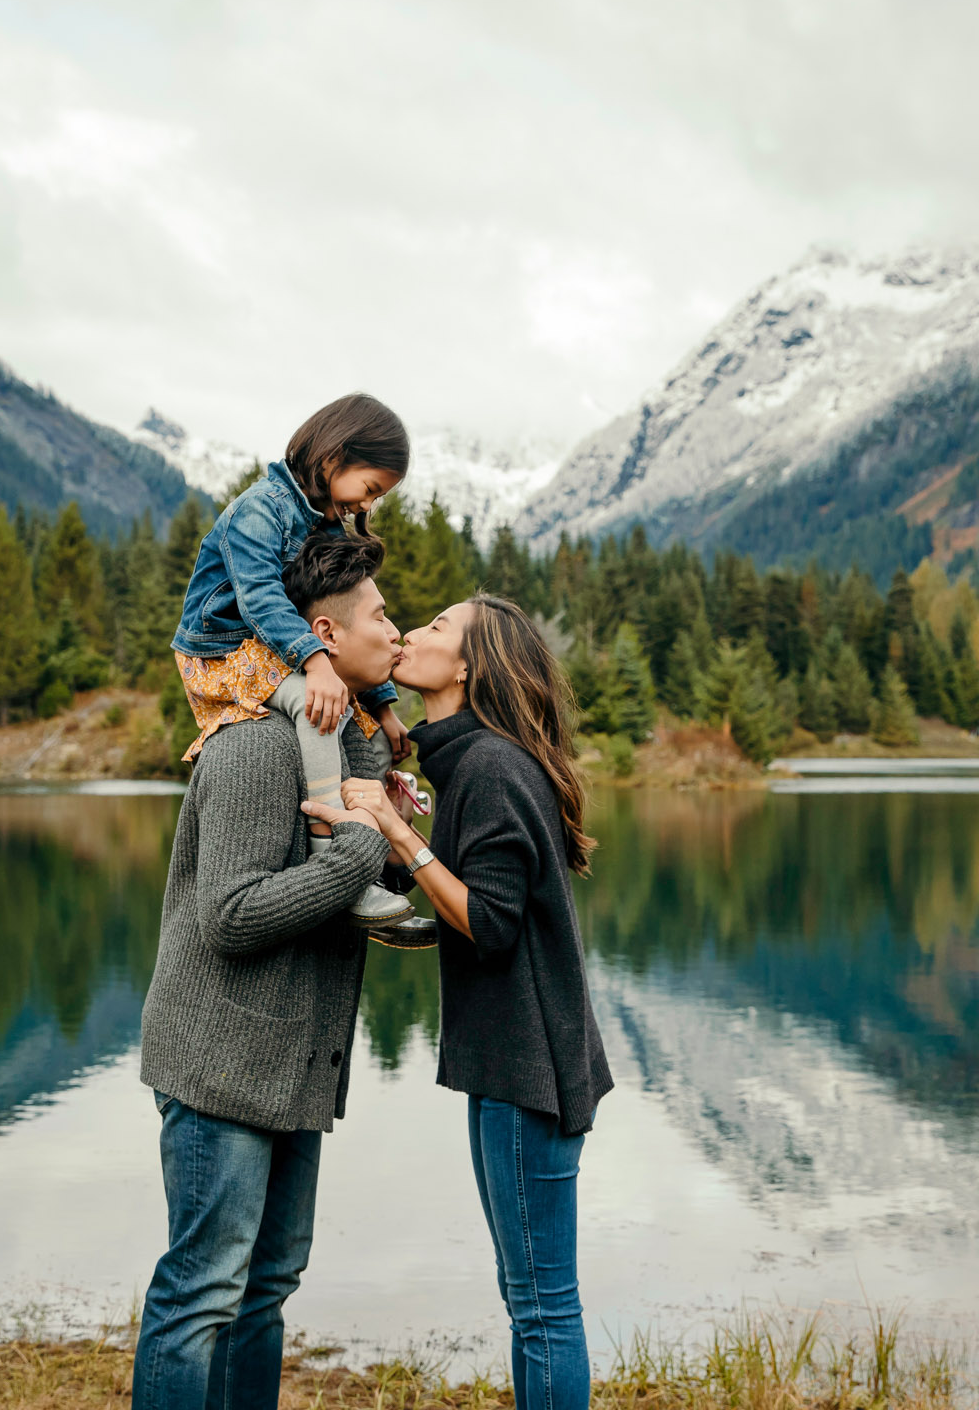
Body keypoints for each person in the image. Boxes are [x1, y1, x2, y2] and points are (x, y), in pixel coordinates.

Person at [309, 595, 614, 1410]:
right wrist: (414, 835)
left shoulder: (491, 767)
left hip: (530, 1071)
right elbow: (471, 905)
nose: (413, 633)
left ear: (471, 668)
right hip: (518, 1066)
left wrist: (401, 838)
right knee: (531, 1305)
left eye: (439, 629)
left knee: (544, 1308)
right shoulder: (474, 763)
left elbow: (493, 925)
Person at [134, 533, 415, 1410]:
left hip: (292, 1062)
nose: (397, 631)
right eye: (381, 616)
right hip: (219, 1060)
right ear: (324, 635)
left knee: (268, 1286)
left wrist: (394, 851)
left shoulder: (355, 753)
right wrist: (357, 860)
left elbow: (355, 877)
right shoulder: (256, 748)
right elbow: (231, 916)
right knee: (204, 1292)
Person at [172, 391, 420, 934]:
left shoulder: (324, 526)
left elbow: (341, 621)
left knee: (359, 723)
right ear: (334, 457)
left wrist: (384, 707)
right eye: (370, 488)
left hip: (276, 648)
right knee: (316, 708)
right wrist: (315, 664)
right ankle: (327, 856)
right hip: (222, 653)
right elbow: (261, 597)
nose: (367, 506)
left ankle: (378, 856)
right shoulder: (259, 509)